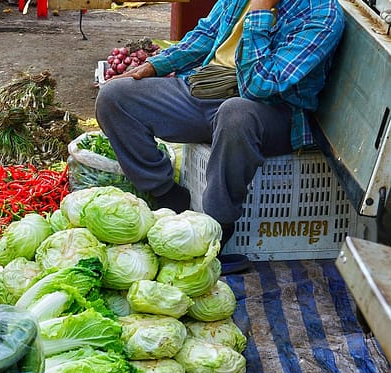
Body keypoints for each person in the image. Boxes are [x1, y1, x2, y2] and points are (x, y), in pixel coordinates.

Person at [94, 0, 345, 272]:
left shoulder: (322, 13)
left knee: (236, 113)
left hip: (271, 111)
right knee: (114, 98)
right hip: (208, 88)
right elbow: (206, 35)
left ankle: (218, 228)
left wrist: (260, 11)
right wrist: (154, 66)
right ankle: (166, 193)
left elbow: (259, 86)